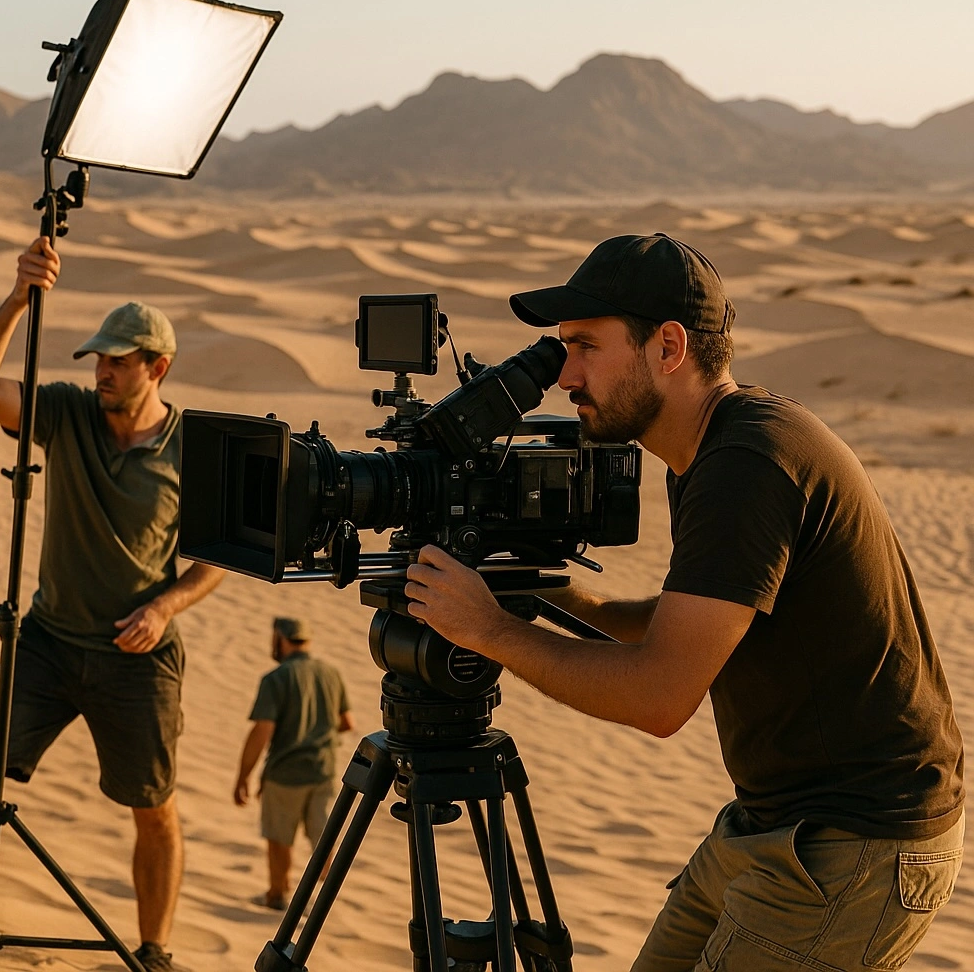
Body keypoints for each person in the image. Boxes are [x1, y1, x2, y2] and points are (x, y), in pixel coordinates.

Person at [403, 233, 965, 971]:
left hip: (855, 843)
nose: (565, 374)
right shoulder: (713, 447)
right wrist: (549, 592)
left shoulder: (747, 464)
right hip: (779, 823)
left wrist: (488, 630)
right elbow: (689, 619)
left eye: (585, 346)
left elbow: (659, 696)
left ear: (668, 347)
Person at [0, 237, 226, 972]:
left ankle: (154, 951)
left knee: (155, 810)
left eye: (118, 361)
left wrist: (165, 608)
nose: (101, 372)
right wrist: (17, 299)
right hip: (46, 641)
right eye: (98, 359)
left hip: (137, 658)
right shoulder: (66, 413)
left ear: (157, 367)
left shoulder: (190, 450)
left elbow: (216, 561)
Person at [234, 617, 353, 911]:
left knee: (279, 838)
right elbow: (346, 723)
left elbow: (262, 731)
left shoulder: (276, 679)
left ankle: (277, 895)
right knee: (323, 836)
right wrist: (316, 733)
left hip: (285, 774)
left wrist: (243, 777)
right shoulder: (330, 673)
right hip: (323, 770)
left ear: (282, 639)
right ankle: (327, 898)